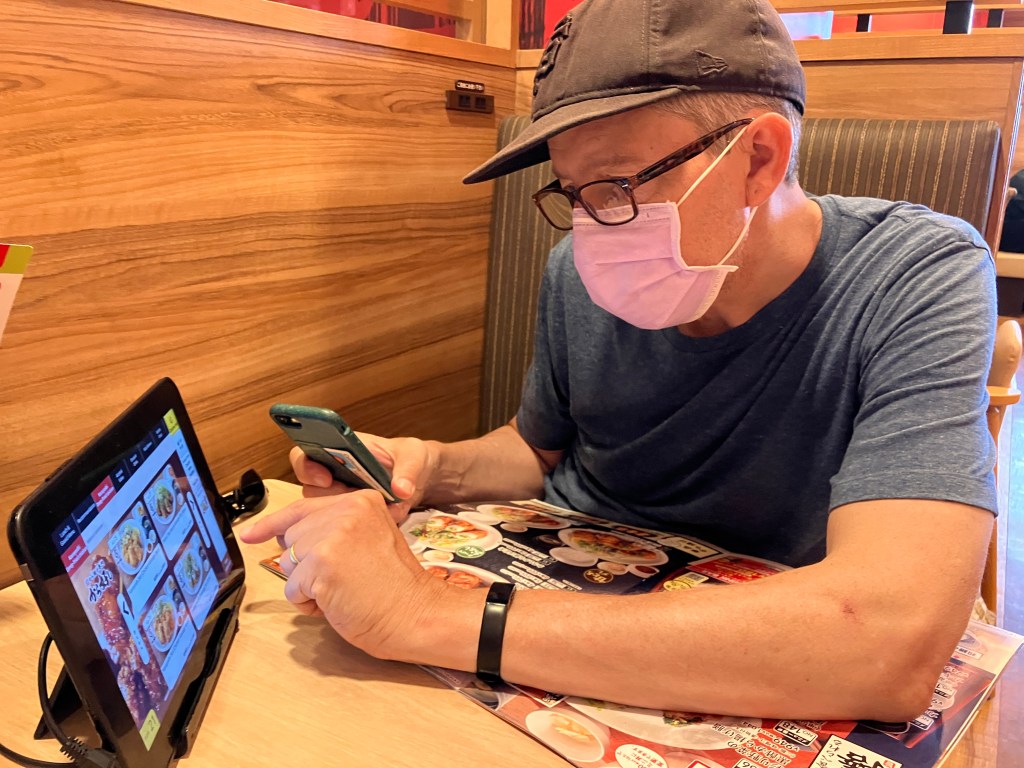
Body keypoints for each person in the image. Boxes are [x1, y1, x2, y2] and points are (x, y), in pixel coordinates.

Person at [242, 0, 997, 721]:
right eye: (573, 193)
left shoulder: (917, 276)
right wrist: (427, 465)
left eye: (616, 185)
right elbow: (536, 450)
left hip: (768, 638)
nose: (591, 227)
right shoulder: (575, 274)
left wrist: (421, 613)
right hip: (565, 580)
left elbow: (887, 641)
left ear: (758, 159)